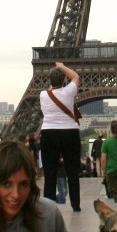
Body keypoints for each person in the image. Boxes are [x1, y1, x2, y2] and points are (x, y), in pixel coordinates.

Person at [39, 62, 81, 212]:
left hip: (49, 133)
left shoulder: (43, 95)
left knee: (50, 173)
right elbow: (75, 76)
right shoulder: (69, 92)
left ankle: (49, 207)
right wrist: (62, 66)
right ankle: (75, 205)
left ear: (50, 80)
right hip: (70, 133)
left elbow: (51, 90)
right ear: (64, 80)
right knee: (72, 172)